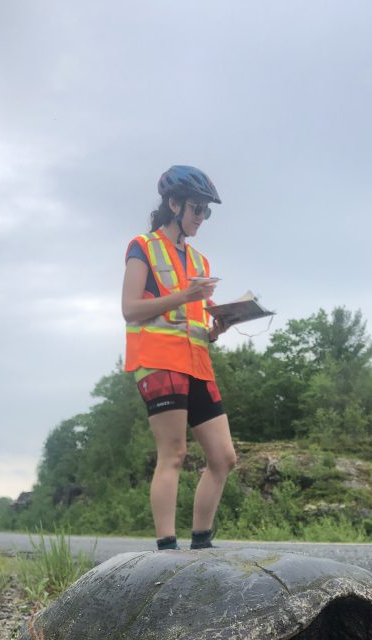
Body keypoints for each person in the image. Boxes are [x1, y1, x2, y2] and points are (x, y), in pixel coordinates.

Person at [122, 165, 236, 550]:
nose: (202, 218)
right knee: (173, 453)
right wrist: (185, 297)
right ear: (173, 204)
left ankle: (201, 542)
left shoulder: (200, 263)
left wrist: (215, 328)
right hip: (158, 361)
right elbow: (130, 308)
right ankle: (166, 549)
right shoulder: (143, 247)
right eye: (196, 209)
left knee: (224, 457)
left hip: (197, 363)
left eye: (207, 211)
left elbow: (190, 321)